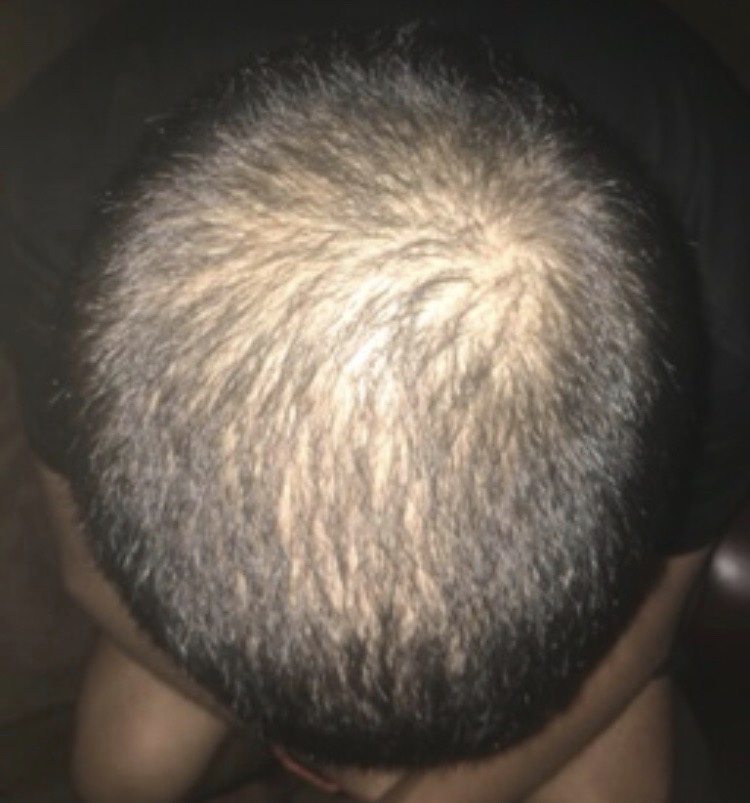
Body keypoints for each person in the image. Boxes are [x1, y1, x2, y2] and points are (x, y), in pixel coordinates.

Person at [2, 2, 749, 802]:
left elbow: (653, 617)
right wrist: (305, 730)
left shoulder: (722, 261)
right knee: (126, 767)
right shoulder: (52, 181)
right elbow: (87, 572)